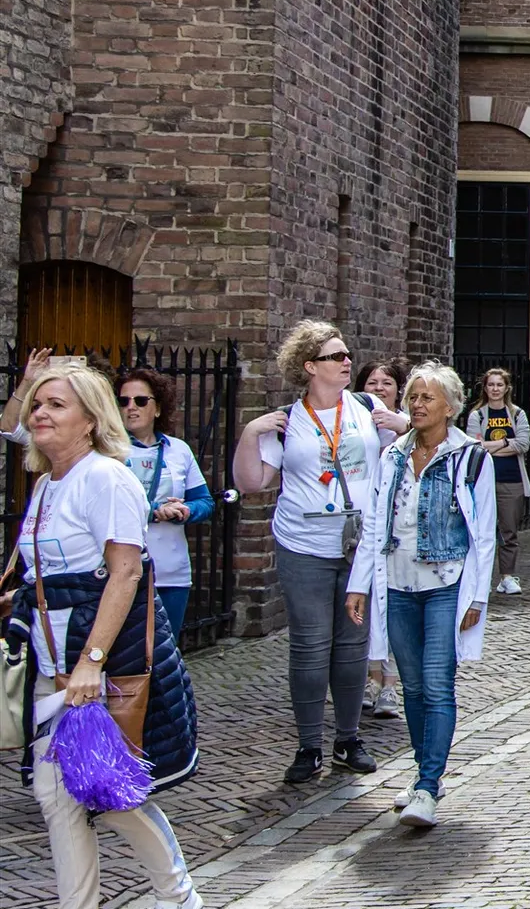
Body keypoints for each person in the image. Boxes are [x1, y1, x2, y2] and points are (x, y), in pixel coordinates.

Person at [4, 362, 202, 909]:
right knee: (55, 793)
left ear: (90, 419)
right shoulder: (46, 484)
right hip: (50, 662)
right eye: (36, 404)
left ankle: (178, 896)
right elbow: (50, 575)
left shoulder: (105, 478)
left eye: (56, 405)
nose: (40, 414)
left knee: (110, 793)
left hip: (92, 665)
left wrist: (92, 661)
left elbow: (126, 572)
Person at [232, 320, 396, 784]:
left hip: (360, 546)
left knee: (353, 645)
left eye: (347, 355)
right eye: (336, 356)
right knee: (309, 645)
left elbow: (403, 451)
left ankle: (348, 739)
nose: (347, 362)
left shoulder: (367, 407)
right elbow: (252, 482)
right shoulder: (287, 421)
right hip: (304, 545)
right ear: (310, 366)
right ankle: (309, 746)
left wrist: (402, 423)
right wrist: (250, 433)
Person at [345, 362, 496, 829]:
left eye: (427, 397)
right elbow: (374, 522)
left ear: (450, 407)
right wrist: (358, 584)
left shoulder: (470, 458)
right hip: (396, 583)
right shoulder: (392, 456)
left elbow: (483, 533)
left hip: (446, 584)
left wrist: (477, 598)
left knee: (436, 684)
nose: (416, 404)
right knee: (410, 685)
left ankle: (429, 786)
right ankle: (422, 771)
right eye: (413, 396)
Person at [116, 367, 215, 641]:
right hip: (122, 571)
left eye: (140, 401)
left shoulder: (178, 450)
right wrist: (154, 511)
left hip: (171, 571)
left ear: (158, 408)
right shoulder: (109, 451)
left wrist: (185, 511)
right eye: (123, 401)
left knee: (166, 650)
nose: (131, 407)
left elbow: (205, 502)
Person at [354, 358, 413, 717]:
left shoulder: (408, 422)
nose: (379, 389)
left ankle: (388, 683)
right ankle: (369, 678)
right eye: (372, 383)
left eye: (386, 382)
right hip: (360, 522)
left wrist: (403, 426)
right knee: (362, 603)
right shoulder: (353, 424)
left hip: (396, 525)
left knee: (389, 603)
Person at [465, 368, 530, 594]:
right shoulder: (477, 416)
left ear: (506, 388)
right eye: (491, 385)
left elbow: (523, 444)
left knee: (508, 531)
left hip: (512, 480)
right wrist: (505, 443)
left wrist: (491, 446)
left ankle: (507, 576)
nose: (495, 389)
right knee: (480, 532)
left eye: (499, 385)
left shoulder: (517, 414)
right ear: (485, 388)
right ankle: (479, 577)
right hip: (483, 481)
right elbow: (474, 447)